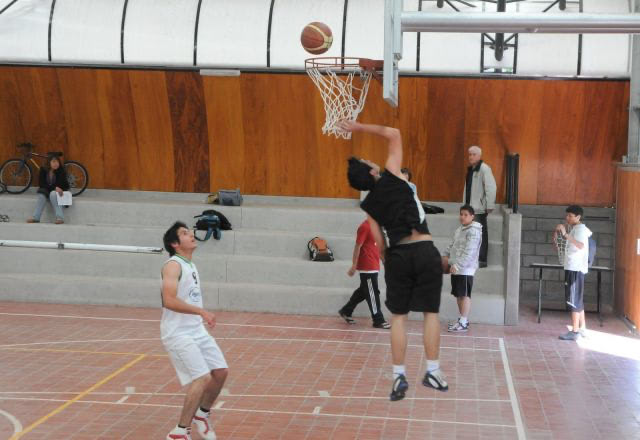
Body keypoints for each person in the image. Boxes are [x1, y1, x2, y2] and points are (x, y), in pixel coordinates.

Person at [340, 120, 448, 402]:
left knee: (398, 317)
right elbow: (394, 133)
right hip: (424, 249)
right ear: (372, 171)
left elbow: (379, 241)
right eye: (367, 161)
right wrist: (357, 126)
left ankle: (399, 375)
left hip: (397, 255)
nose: (370, 159)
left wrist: (391, 261)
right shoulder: (393, 174)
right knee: (430, 314)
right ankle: (433, 371)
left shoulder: (368, 206)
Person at [162, 222, 228, 440]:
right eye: (184, 233)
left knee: (220, 372)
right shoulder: (173, 265)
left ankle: (202, 414)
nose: (191, 234)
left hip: (196, 330)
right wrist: (200, 311)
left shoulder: (190, 264)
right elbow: (169, 300)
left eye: (190, 231)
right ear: (175, 243)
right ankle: (180, 432)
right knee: (201, 378)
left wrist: (198, 316)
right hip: (178, 333)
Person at [338, 218, 391, 329]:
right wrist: (354, 265)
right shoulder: (365, 227)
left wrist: (385, 262)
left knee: (364, 290)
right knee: (372, 293)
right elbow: (357, 246)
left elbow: (377, 246)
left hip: (374, 265)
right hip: (367, 266)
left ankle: (346, 310)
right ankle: (378, 320)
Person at [553, 205, 592, 341]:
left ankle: (575, 332)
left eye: (570, 216)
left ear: (578, 217)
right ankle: (582, 328)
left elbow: (580, 245)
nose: (567, 218)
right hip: (574, 268)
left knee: (574, 301)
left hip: (575, 269)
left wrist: (565, 234)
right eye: (567, 215)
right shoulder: (576, 229)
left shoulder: (580, 230)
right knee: (578, 300)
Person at [441, 205, 482, 333]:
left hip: (465, 269)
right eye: (461, 214)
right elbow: (452, 245)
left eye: (465, 215)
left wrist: (458, 265)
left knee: (464, 295)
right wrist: (445, 255)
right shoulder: (460, 229)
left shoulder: (474, 231)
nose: (462, 217)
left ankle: (463, 323)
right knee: (459, 295)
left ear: (472, 216)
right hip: (456, 266)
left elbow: (469, 252)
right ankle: (463, 320)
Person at [463, 146, 496, 268]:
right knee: (470, 235)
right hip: (469, 208)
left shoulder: (484, 169)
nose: (471, 157)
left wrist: (490, 205)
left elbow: (491, 187)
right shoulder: (471, 169)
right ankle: (471, 259)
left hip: (479, 209)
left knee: (480, 235)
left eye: (474, 154)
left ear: (479, 156)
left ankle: (482, 260)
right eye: (469, 154)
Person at [27, 155, 69, 224]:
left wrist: (57, 188)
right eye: (54, 162)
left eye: (57, 162)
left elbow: (65, 185)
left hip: (58, 193)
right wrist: (54, 187)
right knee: (41, 195)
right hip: (47, 191)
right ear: (49, 162)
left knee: (53, 193)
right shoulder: (43, 170)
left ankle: (60, 218)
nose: (56, 164)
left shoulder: (61, 171)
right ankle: (36, 218)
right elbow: (41, 184)